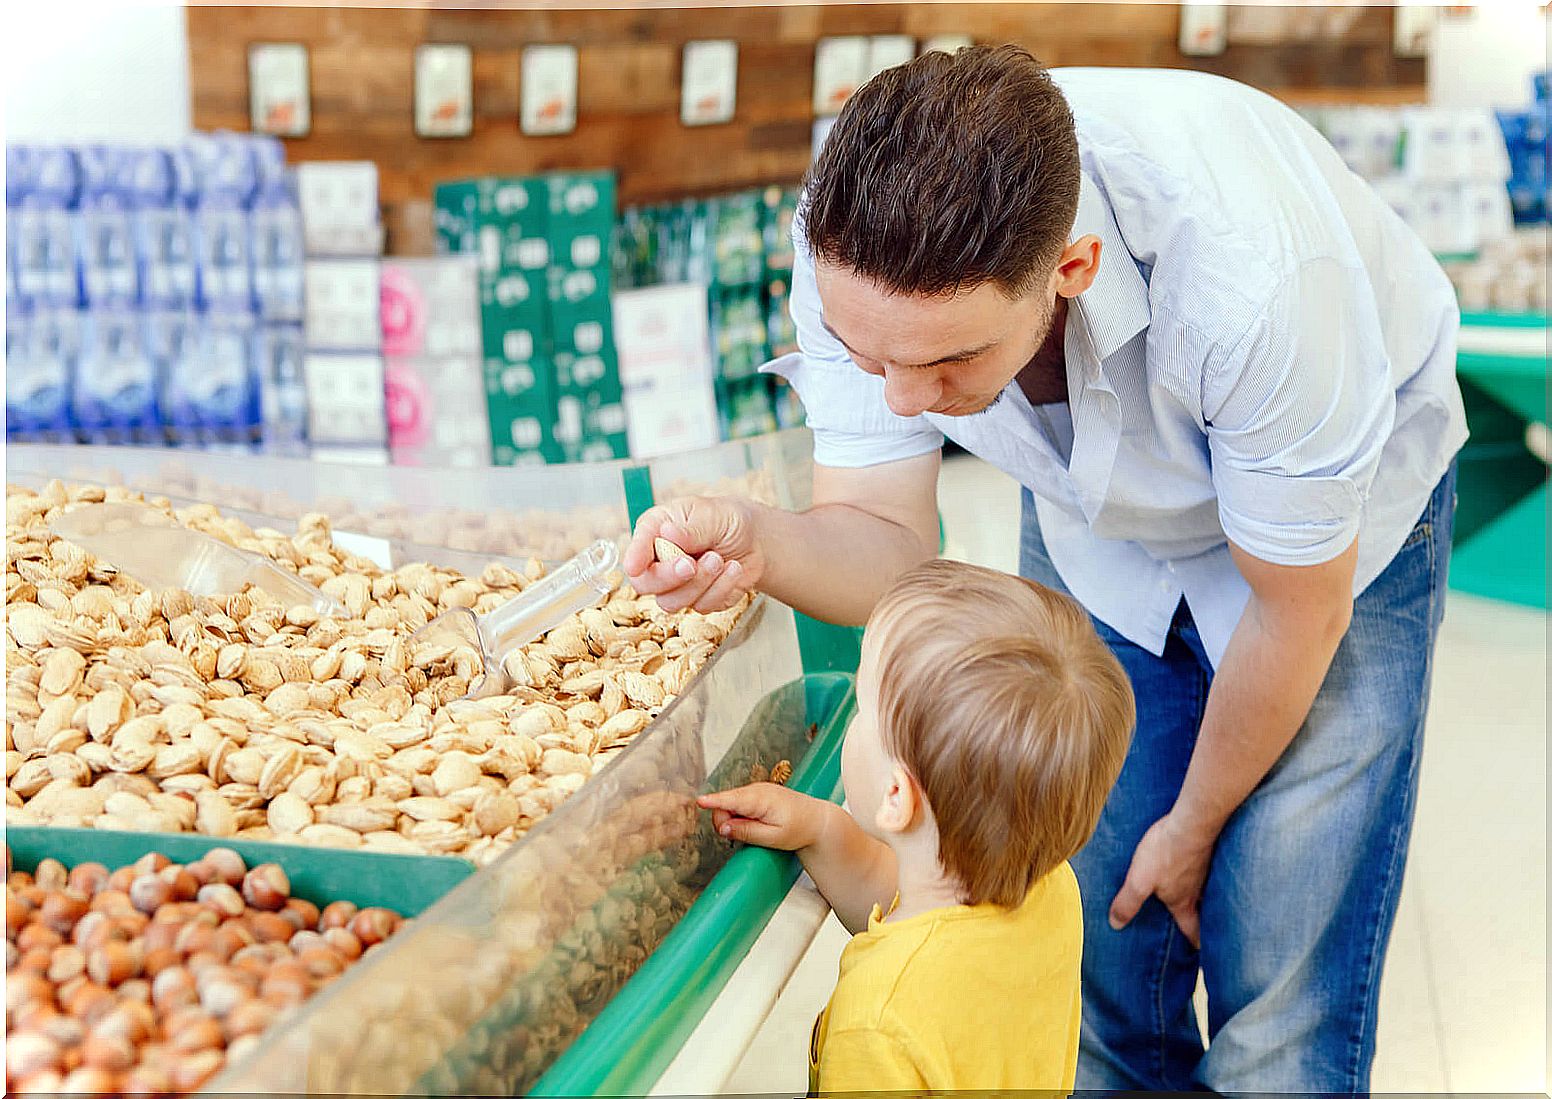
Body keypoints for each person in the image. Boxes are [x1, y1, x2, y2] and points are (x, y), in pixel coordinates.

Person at [627, 45, 1468, 1092]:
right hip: (1097, 518)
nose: (897, 402)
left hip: (1333, 540)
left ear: (1070, 271)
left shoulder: (1258, 279)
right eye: (866, 356)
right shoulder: (855, 246)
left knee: (1281, 982)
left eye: (948, 364)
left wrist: (1192, 824)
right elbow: (886, 544)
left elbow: (1297, 612)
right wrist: (761, 540)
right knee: (1102, 953)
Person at [699, 559, 1132, 1092]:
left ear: (896, 795)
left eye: (861, 707)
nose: (853, 720)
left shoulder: (878, 1026)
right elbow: (914, 912)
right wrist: (820, 829)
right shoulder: (1049, 891)